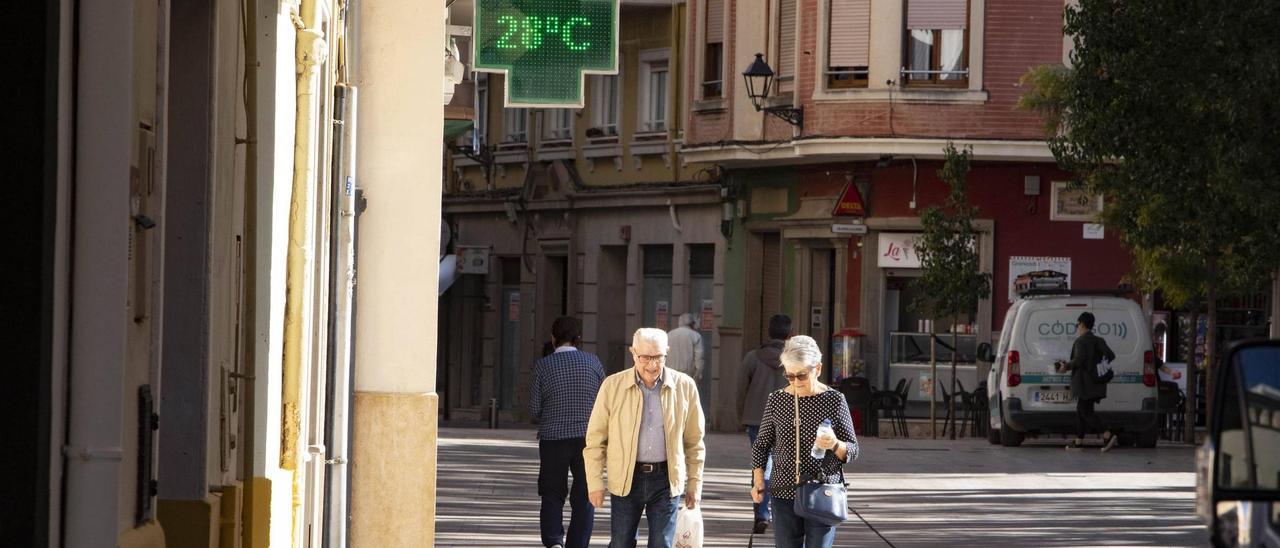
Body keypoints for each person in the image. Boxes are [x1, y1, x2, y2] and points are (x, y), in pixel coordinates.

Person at [584, 328, 706, 548]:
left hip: (666, 480)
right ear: (633, 353)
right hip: (626, 479)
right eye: (645, 358)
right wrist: (595, 482)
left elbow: (695, 442)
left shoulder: (685, 387)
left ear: (667, 353)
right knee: (621, 543)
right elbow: (595, 440)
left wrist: (694, 485)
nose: (652, 365)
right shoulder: (613, 386)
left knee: (662, 544)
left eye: (658, 357)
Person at [750, 336, 858, 548]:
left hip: (822, 491)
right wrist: (759, 480)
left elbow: (852, 450)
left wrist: (835, 444)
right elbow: (761, 444)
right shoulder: (777, 400)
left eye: (801, 375)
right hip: (784, 491)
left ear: (817, 368)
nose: (796, 382)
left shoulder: (835, 400)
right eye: (790, 376)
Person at [530, 317, 606, 548]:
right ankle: (578, 544)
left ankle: (554, 542)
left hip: (553, 439)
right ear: (578, 338)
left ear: (553, 338)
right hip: (588, 439)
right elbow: (605, 403)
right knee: (585, 496)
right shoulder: (593, 363)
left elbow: (534, 409)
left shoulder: (542, 366)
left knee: (552, 493)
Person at [737, 313, 792, 534]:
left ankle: (761, 514)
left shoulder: (752, 357)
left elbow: (741, 389)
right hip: (787, 421)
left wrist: (742, 414)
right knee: (784, 466)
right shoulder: (794, 359)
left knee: (761, 467)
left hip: (757, 420)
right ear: (789, 334)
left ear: (768, 332)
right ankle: (781, 515)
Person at [1056, 312, 1119, 452]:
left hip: (1084, 383)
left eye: (1077, 324)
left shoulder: (1081, 341)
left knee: (1086, 412)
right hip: (1097, 382)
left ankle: (1108, 434)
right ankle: (1079, 441)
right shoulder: (1099, 340)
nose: (1077, 327)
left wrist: (1065, 367)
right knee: (1081, 411)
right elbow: (1111, 356)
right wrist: (1097, 362)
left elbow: (1079, 359)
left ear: (1082, 324)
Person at [666, 313, 704, 381]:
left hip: (669, 374)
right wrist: (698, 373)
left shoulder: (669, 335)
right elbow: (699, 357)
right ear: (692, 323)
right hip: (687, 375)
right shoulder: (696, 336)